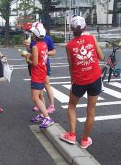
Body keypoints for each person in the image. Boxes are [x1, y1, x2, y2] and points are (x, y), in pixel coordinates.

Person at [60, 16, 104, 149]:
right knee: (91, 109)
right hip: (95, 79)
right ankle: (85, 140)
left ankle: (72, 135)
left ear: (72, 29)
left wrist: (71, 79)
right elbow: (101, 57)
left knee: (72, 105)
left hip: (79, 81)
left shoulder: (69, 45)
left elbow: (71, 66)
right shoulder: (92, 39)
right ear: (85, 27)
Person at [26, 22, 54, 129]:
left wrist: (27, 59)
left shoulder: (35, 46)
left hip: (37, 74)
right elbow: (40, 57)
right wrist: (30, 55)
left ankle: (47, 117)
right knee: (40, 95)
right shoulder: (44, 45)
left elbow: (35, 63)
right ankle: (42, 115)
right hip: (43, 72)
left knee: (35, 97)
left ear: (35, 36)